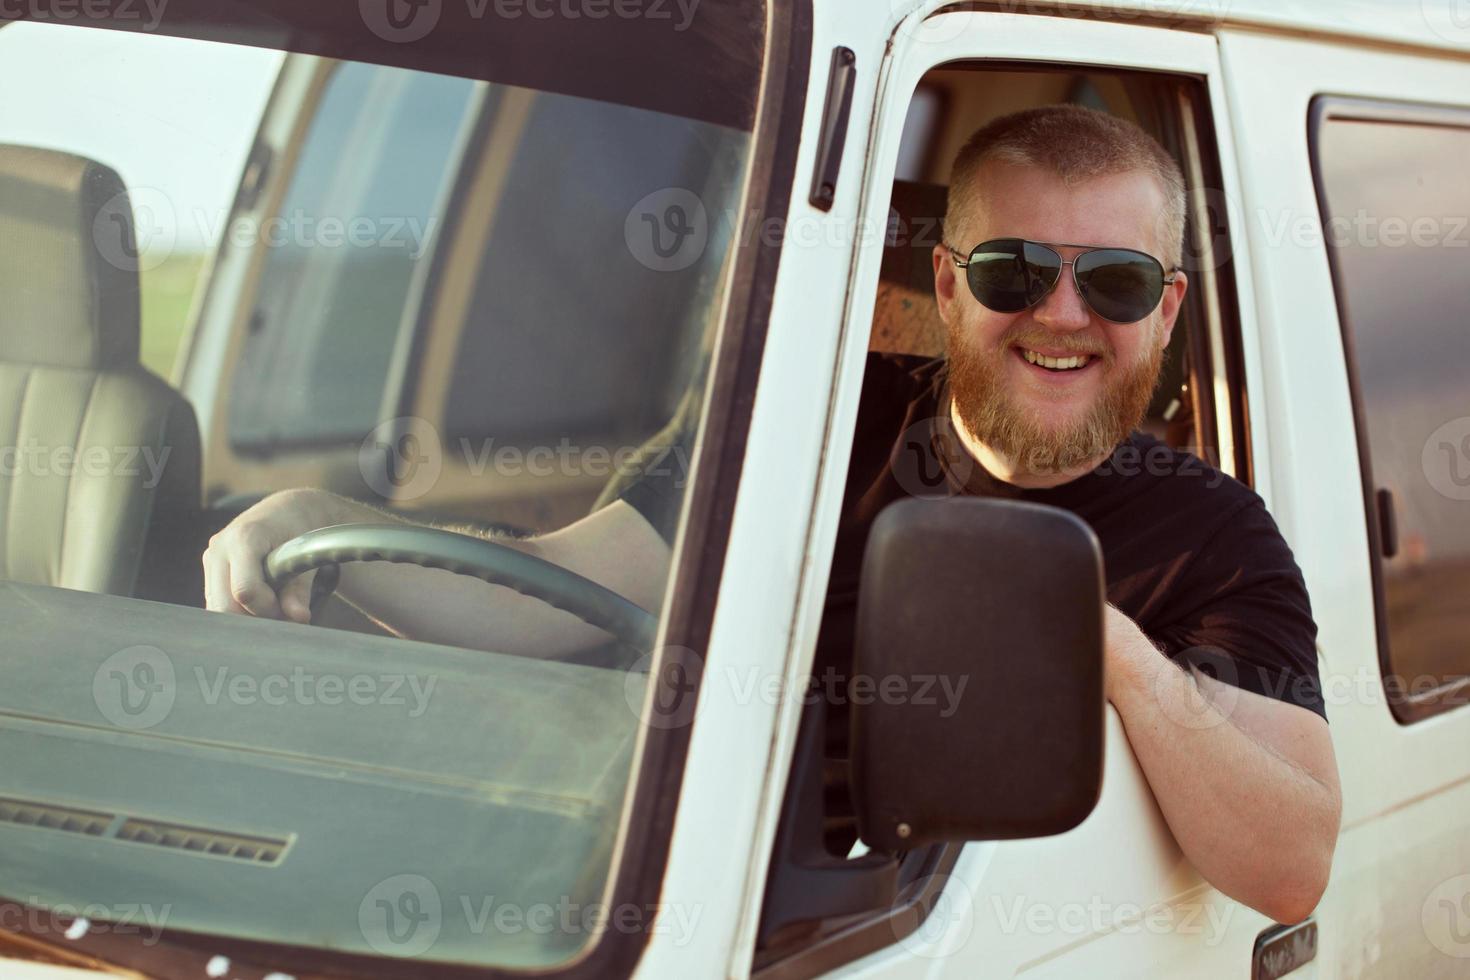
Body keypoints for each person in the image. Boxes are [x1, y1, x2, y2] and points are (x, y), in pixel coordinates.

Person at [205, 104, 1340, 924]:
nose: (1063, 314)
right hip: (653, 895)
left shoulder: (1214, 536)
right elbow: (547, 596)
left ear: (1166, 309)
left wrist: (1108, 654)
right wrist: (309, 517)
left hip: (893, 929)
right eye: (1012, 271)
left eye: (1117, 282)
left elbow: (1292, 861)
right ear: (948, 287)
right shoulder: (802, 420)